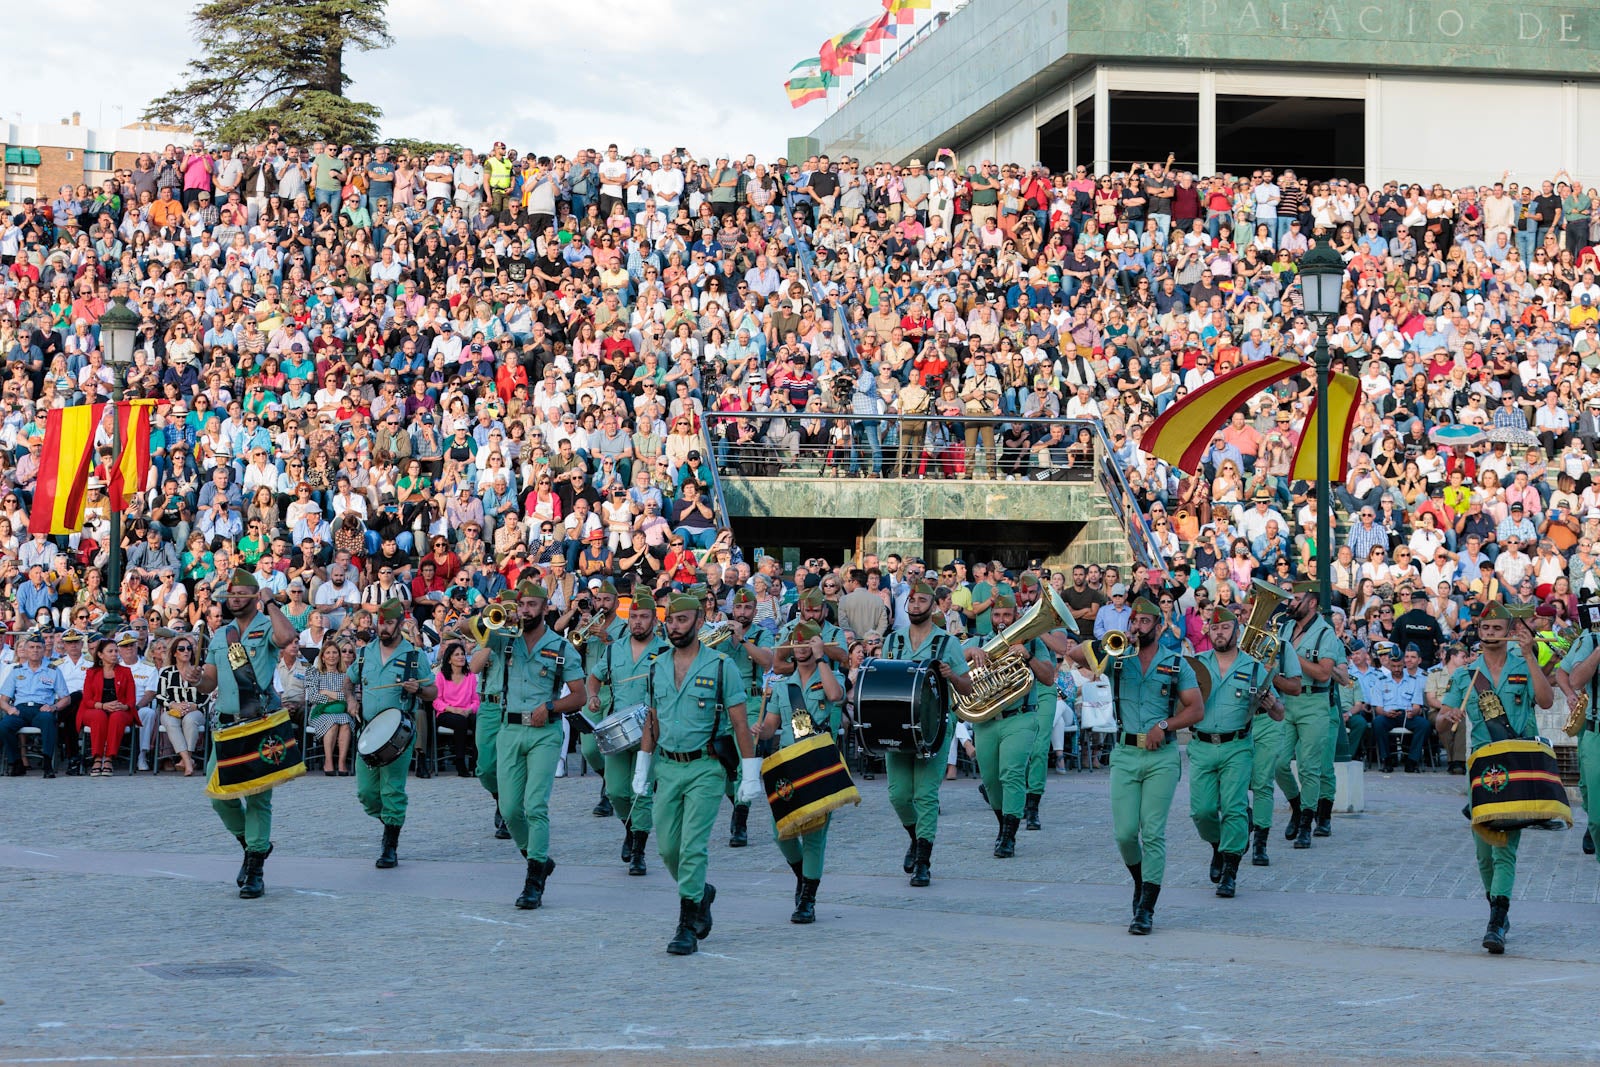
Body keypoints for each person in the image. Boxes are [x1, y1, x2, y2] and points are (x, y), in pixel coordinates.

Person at [1062, 596, 1203, 935]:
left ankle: (1146, 908)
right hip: (1125, 755)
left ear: (1158, 625)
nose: (1137, 627)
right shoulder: (1119, 657)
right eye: (1134, 622)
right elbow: (1075, 655)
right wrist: (1110, 642)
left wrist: (1165, 726)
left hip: (1161, 756)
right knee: (1125, 834)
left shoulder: (1176, 662)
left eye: (1144, 623)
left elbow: (1196, 709)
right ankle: (1141, 883)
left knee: (1152, 832)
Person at [632, 591, 757, 955]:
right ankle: (701, 892)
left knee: (691, 848)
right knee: (669, 849)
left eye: (682, 620)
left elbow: (739, 723)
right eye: (669, 621)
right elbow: (651, 720)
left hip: (706, 767)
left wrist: (749, 774)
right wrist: (643, 764)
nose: (674, 626)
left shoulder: (721, 666)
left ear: (699, 622)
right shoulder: (656, 666)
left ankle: (687, 923)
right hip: (667, 766)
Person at [1443, 602, 1553, 954]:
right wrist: (1446, 718)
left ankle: (1497, 918)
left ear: (1507, 631)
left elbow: (1546, 701)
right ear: (1479, 631)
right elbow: (1441, 722)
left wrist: (1531, 656)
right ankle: (1498, 910)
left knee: (1505, 846)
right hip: (1483, 768)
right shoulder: (1466, 675)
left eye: (1496, 628)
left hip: (1519, 762)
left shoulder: (1524, 664)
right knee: (1483, 853)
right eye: (1485, 629)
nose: (1490, 634)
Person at [470, 580, 585, 910]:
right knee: (509, 810)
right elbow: (467, 628)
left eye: (532, 605)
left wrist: (550, 707)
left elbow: (580, 696)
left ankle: (534, 880)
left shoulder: (560, 647)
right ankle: (538, 858)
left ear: (546, 607)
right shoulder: (505, 638)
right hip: (508, 729)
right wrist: (493, 617)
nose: (526, 610)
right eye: (522, 605)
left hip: (544, 733)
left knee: (535, 806)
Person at [192, 569, 298, 899]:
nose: (234, 599)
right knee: (218, 794)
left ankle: (255, 867)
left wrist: (269, 602)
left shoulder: (267, 624)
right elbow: (211, 681)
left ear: (253, 597)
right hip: (225, 725)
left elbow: (286, 638)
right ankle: (253, 845)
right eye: (231, 594)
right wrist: (196, 678)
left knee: (257, 798)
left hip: (259, 723)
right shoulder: (221, 634)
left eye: (241, 594)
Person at [880, 579, 975, 886]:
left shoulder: (947, 643)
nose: (916, 605)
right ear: (906, 606)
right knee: (898, 796)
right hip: (897, 728)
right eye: (912, 601)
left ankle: (923, 860)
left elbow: (968, 686)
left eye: (923, 600)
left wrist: (951, 676)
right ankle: (914, 836)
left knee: (925, 795)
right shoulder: (892, 642)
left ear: (933, 606)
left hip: (933, 729)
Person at [1187, 607, 1282, 898]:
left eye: (1225, 628)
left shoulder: (1254, 667)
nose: (1219, 633)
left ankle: (1230, 870)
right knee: (1202, 811)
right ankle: (1218, 844)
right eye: (1214, 628)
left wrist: (1270, 705)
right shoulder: (1195, 665)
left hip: (1237, 747)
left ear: (1236, 632)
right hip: (1201, 746)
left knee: (1234, 808)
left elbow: (1279, 713)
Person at [755, 619, 845, 923]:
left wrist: (822, 659)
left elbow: (835, 697)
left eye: (809, 642)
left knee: (815, 836)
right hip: (790, 764)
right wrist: (762, 730)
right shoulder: (782, 687)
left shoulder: (830, 676)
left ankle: (808, 898)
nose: (803, 648)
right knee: (781, 832)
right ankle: (801, 876)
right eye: (798, 643)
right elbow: (771, 725)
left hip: (820, 762)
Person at [347, 599, 436, 869]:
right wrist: (350, 700)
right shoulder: (364, 654)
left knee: (392, 789)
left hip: (399, 732)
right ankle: (390, 822)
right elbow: (348, 680)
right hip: (368, 730)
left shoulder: (414, 656)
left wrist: (417, 690)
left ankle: (390, 845)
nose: (383, 628)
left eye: (389, 623)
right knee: (366, 792)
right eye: (380, 622)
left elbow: (432, 692)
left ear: (400, 624)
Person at [587, 590, 670, 874]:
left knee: (642, 791)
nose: (637, 622)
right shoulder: (614, 649)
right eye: (633, 617)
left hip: (651, 728)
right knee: (616, 791)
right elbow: (595, 677)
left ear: (654, 620)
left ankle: (639, 851)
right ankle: (631, 829)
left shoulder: (666, 652)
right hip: (619, 729)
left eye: (644, 617)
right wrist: (594, 696)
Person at [968, 593, 1054, 859]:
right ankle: (1004, 826)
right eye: (997, 615)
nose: (1002, 620)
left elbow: (1049, 677)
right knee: (992, 781)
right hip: (986, 720)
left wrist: (1027, 656)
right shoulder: (980, 641)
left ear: (1016, 616)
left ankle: (1008, 836)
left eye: (1007, 615)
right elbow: (953, 661)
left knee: (1011, 774)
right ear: (990, 617)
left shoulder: (1033, 642)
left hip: (1020, 717)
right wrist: (969, 652)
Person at [1276, 581, 1346, 848]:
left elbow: (1324, 673)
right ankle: (1297, 806)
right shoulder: (1284, 627)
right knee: (1278, 763)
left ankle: (1308, 821)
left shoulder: (1325, 633)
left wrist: (1291, 654)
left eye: (1295, 598)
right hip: (1287, 701)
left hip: (1314, 702)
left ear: (1312, 602)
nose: (1289, 603)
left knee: (1311, 767)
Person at [1016, 573, 1074, 830]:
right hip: (1016, 685)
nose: (1028, 598)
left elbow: (1061, 647)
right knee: (1018, 749)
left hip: (1044, 684)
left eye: (1032, 593)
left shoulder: (1049, 617)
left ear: (1040, 593)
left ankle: (1033, 806)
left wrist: (1035, 630)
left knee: (1039, 748)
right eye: (1024, 594)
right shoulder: (1013, 612)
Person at [573, 580, 626, 817]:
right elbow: (572, 652)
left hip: (614, 689)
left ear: (615, 602)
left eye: (607, 599)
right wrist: (580, 632)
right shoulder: (587, 623)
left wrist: (604, 636)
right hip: (590, 689)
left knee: (611, 745)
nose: (602, 604)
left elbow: (626, 653)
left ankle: (608, 794)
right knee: (589, 749)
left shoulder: (624, 628)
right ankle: (608, 780)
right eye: (599, 599)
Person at [1554, 622, 1600, 861]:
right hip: (1590, 718)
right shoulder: (1586, 637)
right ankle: (1593, 823)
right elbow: (1565, 674)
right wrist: (1571, 695)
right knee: (1587, 783)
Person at [0, 632, 70, 777]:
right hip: (20, 709)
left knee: (48, 720)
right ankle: (16, 762)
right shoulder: (16, 671)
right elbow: (3, 698)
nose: (35, 650)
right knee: (4, 726)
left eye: (38, 647)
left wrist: (54, 707)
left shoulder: (53, 670)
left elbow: (66, 698)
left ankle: (47, 763)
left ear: (44, 650)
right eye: (31, 647)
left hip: (42, 709)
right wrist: (9, 709)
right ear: (25, 650)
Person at [78, 637, 137, 778]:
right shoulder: (91, 672)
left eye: (116, 651)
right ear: (100, 655)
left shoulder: (126, 672)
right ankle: (97, 758)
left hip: (119, 710)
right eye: (110, 651)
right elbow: (87, 700)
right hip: (95, 709)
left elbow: (131, 699)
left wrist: (122, 706)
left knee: (116, 717)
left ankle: (109, 759)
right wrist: (103, 706)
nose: (114, 654)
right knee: (99, 716)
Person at [153, 634, 207, 776]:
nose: (186, 651)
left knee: (190, 720)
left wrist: (195, 706)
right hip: (172, 710)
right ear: (174, 653)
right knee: (170, 721)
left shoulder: (199, 671)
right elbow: (159, 695)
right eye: (181, 649)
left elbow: (208, 694)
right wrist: (173, 705)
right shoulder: (167, 672)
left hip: (194, 709)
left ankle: (185, 760)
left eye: (189, 648)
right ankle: (188, 761)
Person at [304, 642, 353, 775]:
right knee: (333, 721)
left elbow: (348, 696)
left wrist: (326, 692)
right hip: (319, 713)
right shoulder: (314, 673)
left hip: (341, 711)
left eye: (335, 653)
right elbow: (313, 697)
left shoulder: (346, 675)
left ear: (339, 656)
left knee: (346, 722)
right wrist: (337, 697)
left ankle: (342, 762)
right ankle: (329, 761)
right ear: (323, 657)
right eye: (328, 653)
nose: (332, 656)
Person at [433, 641, 480, 777]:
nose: (461, 657)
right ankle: (460, 763)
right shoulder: (441, 676)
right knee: (461, 721)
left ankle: (475, 762)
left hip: (466, 711)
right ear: (449, 659)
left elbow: (476, 701)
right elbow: (436, 701)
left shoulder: (470, 676)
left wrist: (469, 710)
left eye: (462, 654)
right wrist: (454, 710)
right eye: (457, 655)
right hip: (447, 712)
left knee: (477, 720)